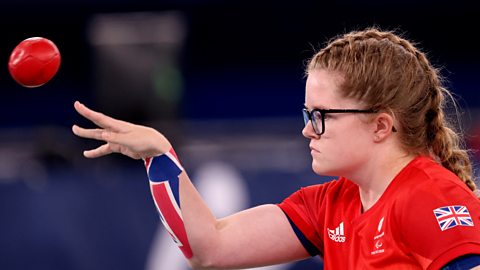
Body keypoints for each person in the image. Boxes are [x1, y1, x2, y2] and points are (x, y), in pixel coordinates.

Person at [72, 27, 480, 269]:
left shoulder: (428, 196)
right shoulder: (329, 204)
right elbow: (207, 248)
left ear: (380, 125)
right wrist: (157, 156)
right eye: (307, 115)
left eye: (321, 116)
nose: (307, 131)